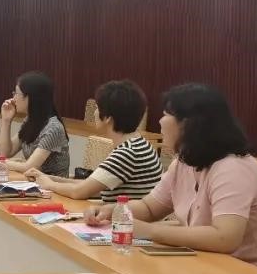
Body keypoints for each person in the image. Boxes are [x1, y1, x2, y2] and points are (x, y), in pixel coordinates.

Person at [85, 83, 257, 272]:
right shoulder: (184, 161)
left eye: (165, 115)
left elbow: (225, 237)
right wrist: (113, 210)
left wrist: (149, 231)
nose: (160, 121)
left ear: (188, 124)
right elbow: (149, 208)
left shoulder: (232, 167)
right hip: (204, 267)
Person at [29, 80, 162, 201]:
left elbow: (79, 192)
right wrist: (48, 178)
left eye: (97, 108)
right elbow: (91, 185)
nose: (94, 113)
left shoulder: (127, 153)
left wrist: (49, 184)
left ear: (108, 118)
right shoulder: (138, 144)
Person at [0, 71, 69, 176]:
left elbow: (29, 167)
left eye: (16, 93)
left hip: (51, 184)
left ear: (30, 97)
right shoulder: (30, 121)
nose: (13, 98)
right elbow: (4, 154)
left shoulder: (53, 128)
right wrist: (6, 120)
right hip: (31, 181)